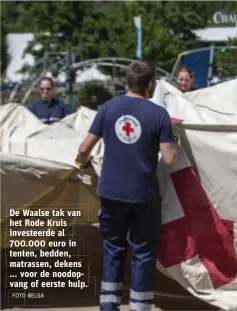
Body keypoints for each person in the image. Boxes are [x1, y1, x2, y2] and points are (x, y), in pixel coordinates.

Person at [75, 60, 179, 311]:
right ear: (151, 84)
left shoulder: (108, 108)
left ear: (126, 83)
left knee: (113, 249)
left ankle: (109, 306)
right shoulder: (159, 115)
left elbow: (83, 148)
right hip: (143, 195)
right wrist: (173, 135)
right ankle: (140, 307)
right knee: (143, 253)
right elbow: (170, 159)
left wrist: (82, 162)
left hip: (111, 193)